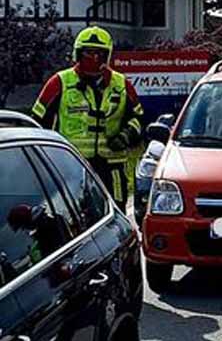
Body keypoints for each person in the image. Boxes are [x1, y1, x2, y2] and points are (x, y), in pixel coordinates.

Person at [32, 26, 143, 209]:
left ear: (107, 56)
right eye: (88, 53)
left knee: (115, 210)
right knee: (74, 212)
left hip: (112, 165)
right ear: (78, 54)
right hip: (71, 164)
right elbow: (37, 122)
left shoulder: (122, 85)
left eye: (99, 53)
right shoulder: (59, 82)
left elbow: (138, 119)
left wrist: (125, 136)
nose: (93, 58)